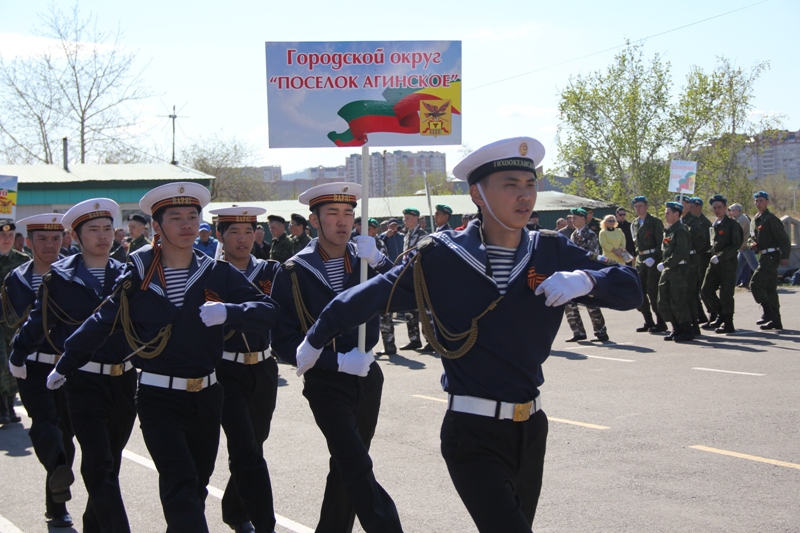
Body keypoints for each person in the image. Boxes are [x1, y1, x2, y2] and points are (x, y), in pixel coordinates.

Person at [294, 137, 641, 533]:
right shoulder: (444, 255)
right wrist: (316, 338)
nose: (525, 196)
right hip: (473, 433)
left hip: (531, 427)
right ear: (478, 194)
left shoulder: (551, 250)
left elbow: (631, 288)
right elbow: (369, 296)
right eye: (511, 184)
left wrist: (588, 279)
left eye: (530, 185)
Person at [44, 182, 279, 532]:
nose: (186, 225)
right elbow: (103, 320)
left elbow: (269, 310)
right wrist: (66, 363)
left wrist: (231, 311)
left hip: (208, 395)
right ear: (157, 226)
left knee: (196, 486)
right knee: (179, 482)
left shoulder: (217, 272)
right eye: (176, 218)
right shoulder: (138, 273)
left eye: (192, 217)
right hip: (159, 397)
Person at [270, 182, 404, 533]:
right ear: (315, 220)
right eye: (332, 214)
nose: (343, 222)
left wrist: (381, 262)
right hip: (326, 379)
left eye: (348, 213)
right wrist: (335, 362)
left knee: (347, 465)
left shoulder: (366, 260)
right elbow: (282, 339)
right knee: (355, 461)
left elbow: (405, 292)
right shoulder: (294, 271)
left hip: (367, 374)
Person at [12, 200, 138, 532]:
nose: (102, 236)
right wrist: (17, 355)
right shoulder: (60, 277)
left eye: (107, 229)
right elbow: (37, 322)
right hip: (80, 379)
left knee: (111, 462)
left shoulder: (129, 274)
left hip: (124, 380)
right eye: (93, 230)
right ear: (78, 237)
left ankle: (94, 524)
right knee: (97, 463)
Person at [209, 206, 281, 533]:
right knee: (245, 448)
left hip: (263, 368)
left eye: (249, 232)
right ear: (220, 236)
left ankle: (234, 509)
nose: (242, 239)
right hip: (225, 371)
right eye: (234, 232)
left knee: (256, 442)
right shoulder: (209, 274)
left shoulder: (270, 270)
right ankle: (264, 524)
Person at [3, 215, 75, 528]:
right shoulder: (17, 278)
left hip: (68, 366)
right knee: (45, 423)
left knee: (66, 434)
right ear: (30, 242)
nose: (50, 245)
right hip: (31, 365)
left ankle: (56, 502)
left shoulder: (75, 273)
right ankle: (58, 495)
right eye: (42, 239)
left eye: (55, 238)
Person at [748, 191, 791, 330]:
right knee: (770, 289)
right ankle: (776, 320)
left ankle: (768, 312)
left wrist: (785, 256)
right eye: (756, 201)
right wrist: (752, 244)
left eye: (761, 200)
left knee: (755, 284)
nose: (758, 203)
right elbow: (751, 237)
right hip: (763, 256)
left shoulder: (770, 219)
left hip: (772, 256)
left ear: (767, 202)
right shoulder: (755, 219)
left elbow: (783, 238)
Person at [700, 195, 744, 333]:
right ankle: (721, 314)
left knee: (726, 294)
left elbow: (736, 245)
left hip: (727, 263)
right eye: (714, 208)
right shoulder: (714, 225)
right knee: (706, 290)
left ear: (725, 208)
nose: (717, 210)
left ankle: (728, 323)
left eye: (719, 207)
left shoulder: (732, 225)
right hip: (714, 263)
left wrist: (721, 256)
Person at [564, 209, 609, 342]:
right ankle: (578, 332)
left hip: (587, 273)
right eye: (571, 218)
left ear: (583, 219)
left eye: (575, 218)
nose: (572, 220)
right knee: (570, 302)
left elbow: (592, 255)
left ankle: (601, 332)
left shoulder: (590, 235)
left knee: (591, 303)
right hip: (575, 273)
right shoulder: (574, 234)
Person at [657, 202, 693, 342]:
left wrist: (666, 263)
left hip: (678, 269)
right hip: (668, 269)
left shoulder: (681, 231)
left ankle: (686, 330)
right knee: (663, 301)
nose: (665, 215)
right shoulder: (669, 230)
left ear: (676, 214)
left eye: (668, 213)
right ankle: (676, 328)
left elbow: (680, 253)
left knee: (678, 301)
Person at [631, 196, 668, 333]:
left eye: (640, 206)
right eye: (636, 206)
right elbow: (636, 243)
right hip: (641, 259)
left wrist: (654, 257)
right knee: (639, 291)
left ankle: (661, 321)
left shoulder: (654, 222)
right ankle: (648, 320)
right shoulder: (635, 223)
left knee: (653, 291)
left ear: (646, 206)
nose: (638, 208)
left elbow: (661, 243)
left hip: (653, 258)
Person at [399, 207, 429, 351]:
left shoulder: (422, 235)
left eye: (408, 218)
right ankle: (414, 339)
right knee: (409, 308)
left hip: (419, 276)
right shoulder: (407, 235)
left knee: (424, 311)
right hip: (408, 275)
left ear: (416, 218)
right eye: (404, 218)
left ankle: (430, 340)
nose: (405, 221)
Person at [690, 197, 713, 324]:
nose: (690, 209)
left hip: (703, 257)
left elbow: (706, 242)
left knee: (703, 287)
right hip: (694, 258)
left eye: (692, 207)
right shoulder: (690, 222)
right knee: (693, 288)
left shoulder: (705, 223)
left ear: (699, 207)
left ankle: (713, 312)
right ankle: (700, 314)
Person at [730, 203, 758, 287]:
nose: (731, 212)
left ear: (737, 211)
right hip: (742, 248)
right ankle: (731, 284)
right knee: (737, 268)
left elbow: (737, 233)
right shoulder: (739, 218)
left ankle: (765, 283)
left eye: (732, 210)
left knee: (755, 267)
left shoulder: (741, 219)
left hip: (746, 247)